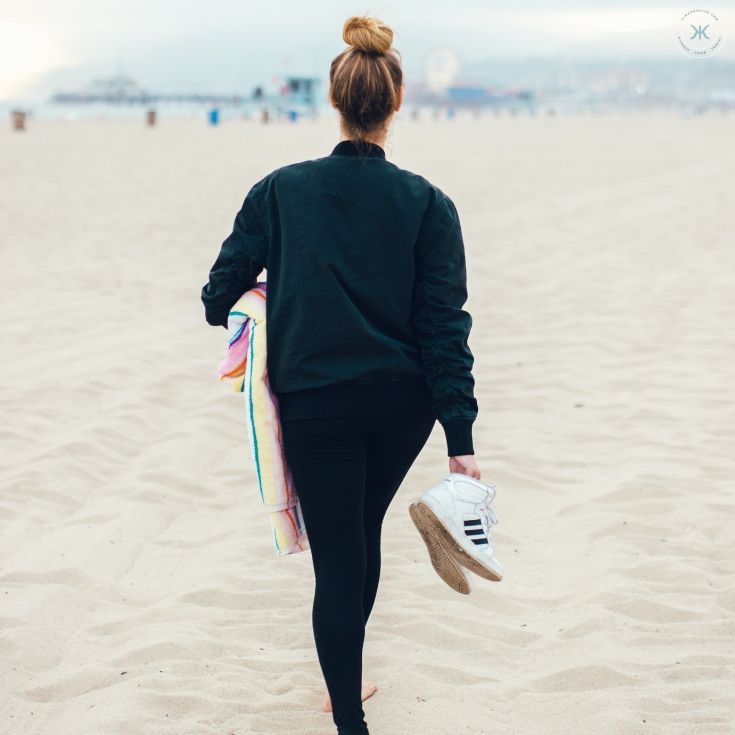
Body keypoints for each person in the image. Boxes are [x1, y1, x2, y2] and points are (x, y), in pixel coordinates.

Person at [201, 14, 480, 735]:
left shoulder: (279, 192)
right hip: (402, 407)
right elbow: (443, 327)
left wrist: (283, 296)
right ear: (394, 101)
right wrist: (460, 441)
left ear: (335, 98)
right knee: (359, 534)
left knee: (341, 554)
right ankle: (343, 687)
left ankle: (347, 715)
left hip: (315, 400)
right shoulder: (427, 202)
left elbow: (215, 296)